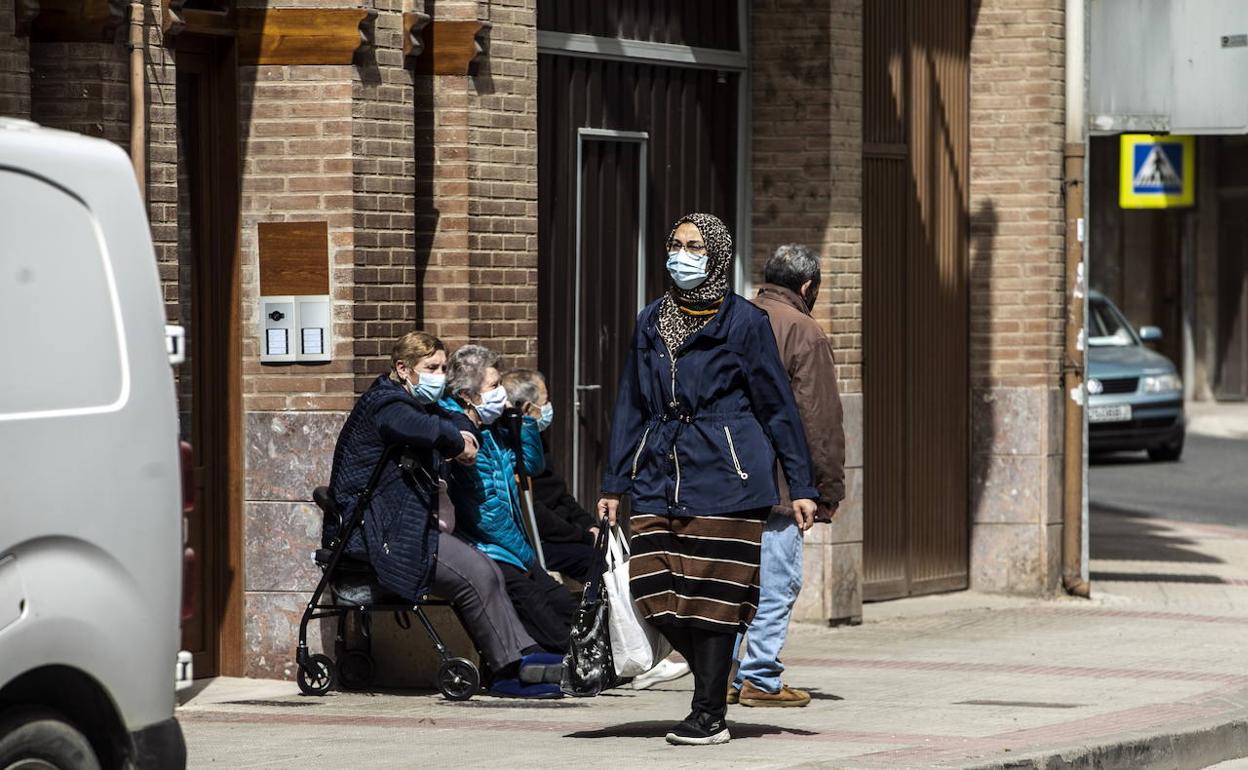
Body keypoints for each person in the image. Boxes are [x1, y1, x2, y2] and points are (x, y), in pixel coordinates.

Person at [597, 213, 820, 746]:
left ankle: (708, 713)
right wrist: (612, 482)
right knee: (651, 585)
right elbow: (630, 401)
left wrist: (803, 486)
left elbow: (778, 406)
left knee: (714, 597)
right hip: (658, 471)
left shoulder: (744, 323)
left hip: (728, 474)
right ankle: (713, 688)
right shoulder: (651, 319)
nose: (682, 253)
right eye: (675, 244)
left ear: (717, 254)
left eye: (694, 245)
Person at [325, 331, 562, 698]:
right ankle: (505, 671)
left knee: (490, 572)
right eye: (430, 367)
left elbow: (457, 420)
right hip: (379, 534)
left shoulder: (419, 403)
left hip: (408, 529)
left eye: (441, 367)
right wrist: (455, 442)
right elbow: (419, 427)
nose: (438, 375)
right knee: (477, 573)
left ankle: (523, 653)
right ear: (403, 368)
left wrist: (463, 436)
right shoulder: (384, 403)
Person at [729, 244, 847, 708]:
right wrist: (826, 488)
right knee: (777, 581)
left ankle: (726, 673)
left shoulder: (732, 317)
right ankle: (759, 676)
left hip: (726, 479)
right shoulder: (803, 331)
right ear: (807, 287)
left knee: (736, 580)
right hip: (780, 482)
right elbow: (818, 419)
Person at [439, 345, 578, 653]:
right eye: (493, 386)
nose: (501, 392)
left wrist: (525, 422)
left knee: (568, 606)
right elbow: (483, 512)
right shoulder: (461, 437)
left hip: (512, 547)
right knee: (545, 617)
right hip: (487, 548)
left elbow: (530, 465)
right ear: (468, 396)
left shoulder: (493, 429)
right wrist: (522, 553)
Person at [500, 368, 598, 583]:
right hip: (540, 541)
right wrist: (582, 536)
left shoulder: (536, 440)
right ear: (526, 408)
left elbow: (562, 495)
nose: (547, 408)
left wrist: (591, 525)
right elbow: (535, 514)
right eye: (544, 402)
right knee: (597, 563)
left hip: (564, 534)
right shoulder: (513, 450)